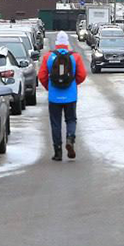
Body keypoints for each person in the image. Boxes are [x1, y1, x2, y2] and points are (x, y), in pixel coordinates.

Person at [37, 31, 87, 162]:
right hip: (70, 96)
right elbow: (82, 75)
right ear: (67, 43)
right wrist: (73, 84)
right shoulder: (75, 57)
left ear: (57, 42)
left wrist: (50, 87)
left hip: (54, 97)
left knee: (55, 123)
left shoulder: (49, 57)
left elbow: (41, 76)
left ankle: (57, 152)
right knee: (71, 120)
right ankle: (70, 138)